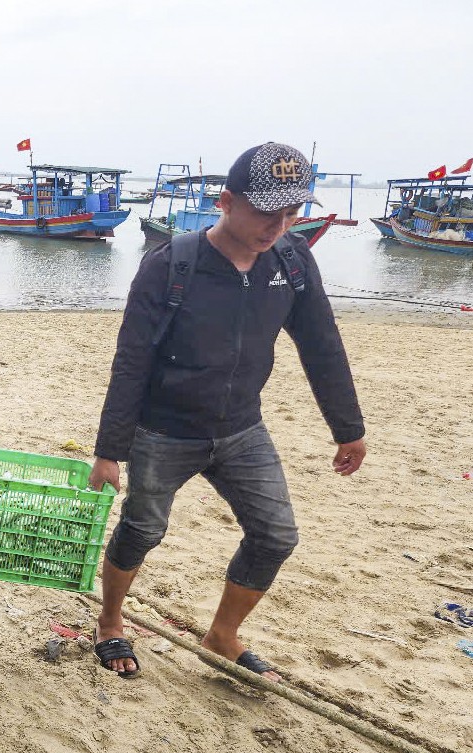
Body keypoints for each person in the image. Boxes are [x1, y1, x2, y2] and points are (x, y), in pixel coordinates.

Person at [88, 142, 366, 683]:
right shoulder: (172, 265)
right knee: (142, 529)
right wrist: (109, 452)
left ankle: (222, 634)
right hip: (163, 430)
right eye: (266, 211)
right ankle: (110, 620)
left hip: (242, 428)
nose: (278, 225)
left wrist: (348, 428)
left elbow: (322, 343)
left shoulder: (292, 260)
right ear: (227, 201)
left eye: (292, 212)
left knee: (275, 535)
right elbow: (130, 364)